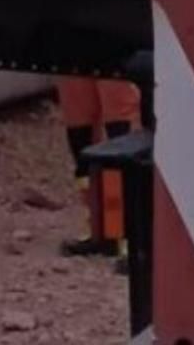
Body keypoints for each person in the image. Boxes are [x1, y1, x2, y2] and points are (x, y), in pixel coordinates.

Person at [56, 75, 141, 263]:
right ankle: (98, 228)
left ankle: (124, 231)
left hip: (115, 51)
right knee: (80, 134)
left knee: (120, 130)